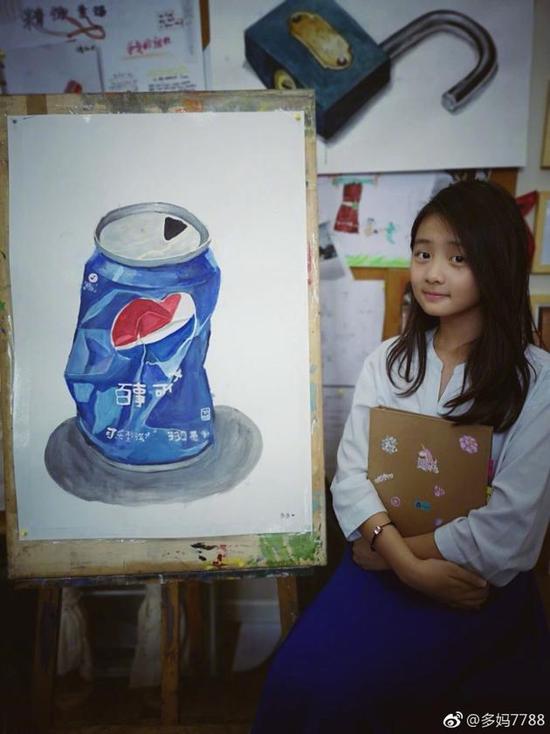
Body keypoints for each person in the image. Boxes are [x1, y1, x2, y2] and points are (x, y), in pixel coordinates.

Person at [251, 180, 550, 733]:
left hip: (472, 583)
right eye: (423, 253)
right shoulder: (388, 361)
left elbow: (511, 527)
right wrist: (408, 567)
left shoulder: (538, 380)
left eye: (457, 258)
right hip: (380, 566)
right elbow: (351, 477)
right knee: (301, 679)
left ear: (497, 262)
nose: (433, 273)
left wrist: (395, 557)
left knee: (407, 701)